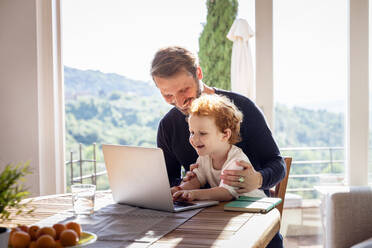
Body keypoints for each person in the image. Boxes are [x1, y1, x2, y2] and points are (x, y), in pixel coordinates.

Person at [151, 46, 285, 247]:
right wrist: (184, 184)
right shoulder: (168, 126)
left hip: (249, 224)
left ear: (198, 73)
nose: (179, 102)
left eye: (184, 90)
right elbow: (169, 180)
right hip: (195, 226)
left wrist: (258, 179)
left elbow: (277, 164)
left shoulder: (241, 108)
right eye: (167, 95)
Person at [172, 94, 266, 202]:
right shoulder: (205, 157)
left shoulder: (237, 161)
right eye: (192, 132)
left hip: (256, 210)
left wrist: (193, 194)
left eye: (202, 133)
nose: (194, 139)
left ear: (225, 135)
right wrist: (177, 190)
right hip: (231, 210)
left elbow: (226, 193)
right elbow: (197, 179)